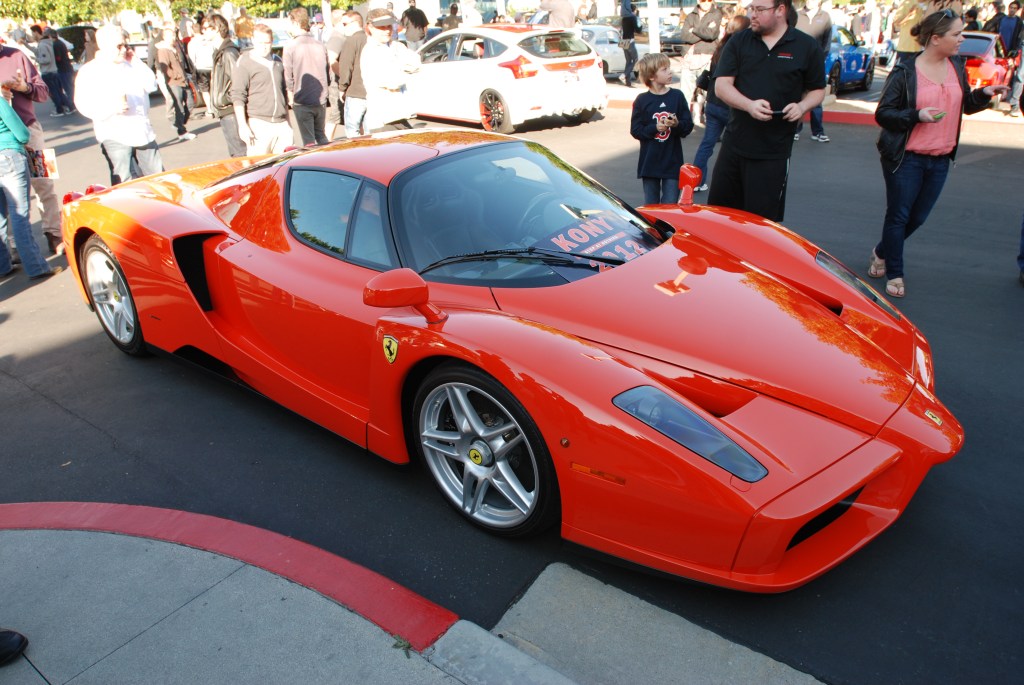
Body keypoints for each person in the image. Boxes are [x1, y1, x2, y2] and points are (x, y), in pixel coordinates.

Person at [871, 9, 1007, 298]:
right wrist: (916, 115)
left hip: (941, 158)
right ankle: (895, 272)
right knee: (899, 216)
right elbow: (884, 114)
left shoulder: (956, 65)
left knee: (917, 217)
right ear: (935, 38)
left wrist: (984, 95)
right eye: (956, 34)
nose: (962, 39)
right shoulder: (906, 71)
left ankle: (882, 251)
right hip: (907, 158)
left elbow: (964, 104)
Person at [707, 0, 825, 222]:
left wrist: (802, 106)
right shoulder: (739, 41)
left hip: (774, 152)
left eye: (759, 9)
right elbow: (721, 86)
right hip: (734, 146)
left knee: (761, 226)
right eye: (751, 8)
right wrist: (748, 105)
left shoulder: (806, 46)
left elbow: (818, 90)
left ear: (780, 10)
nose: (752, 14)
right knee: (720, 220)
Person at [74, 25, 163, 184]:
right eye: (119, 46)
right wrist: (112, 108)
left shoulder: (131, 64)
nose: (123, 49)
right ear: (104, 46)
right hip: (114, 133)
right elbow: (83, 104)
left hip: (142, 130)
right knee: (125, 182)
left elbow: (151, 85)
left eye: (125, 45)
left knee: (158, 178)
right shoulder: (90, 71)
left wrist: (136, 62)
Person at [0, 30, 63, 255]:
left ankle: (54, 232)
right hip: (3, 139)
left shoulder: (17, 56)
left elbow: (43, 93)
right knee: (6, 193)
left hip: (29, 129)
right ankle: (13, 245)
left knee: (45, 182)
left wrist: (24, 88)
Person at [0, 81, 60, 280]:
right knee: (20, 214)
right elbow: (23, 133)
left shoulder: (22, 67)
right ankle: (36, 266)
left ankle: (3, 265)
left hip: (22, 147)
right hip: (12, 153)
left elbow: (41, 91)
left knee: (2, 216)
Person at [691, 13, 750, 192]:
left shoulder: (720, 47)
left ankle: (696, 181)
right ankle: (736, 184)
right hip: (730, 105)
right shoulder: (740, 49)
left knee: (707, 144)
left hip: (713, 102)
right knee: (736, 147)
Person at [630, 52, 695, 205]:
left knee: (670, 206)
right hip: (649, 163)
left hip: (672, 162)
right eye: (664, 69)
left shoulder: (677, 96)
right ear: (652, 76)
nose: (670, 72)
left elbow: (688, 126)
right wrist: (655, 128)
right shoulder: (642, 100)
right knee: (651, 206)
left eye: (669, 68)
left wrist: (677, 124)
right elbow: (636, 130)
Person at [231, 24, 292, 154]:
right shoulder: (244, 62)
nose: (264, 47)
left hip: (281, 124)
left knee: (284, 164)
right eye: (260, 43)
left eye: (267, 43)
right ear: (253, 40)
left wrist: (289, 123)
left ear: (272, 41)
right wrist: (243, 126)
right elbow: (238, 96)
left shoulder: (278, 61)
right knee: (259, 165)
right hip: (259, 123)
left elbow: (283, 94)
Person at [361, 8, 420, 132]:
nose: (387, 30)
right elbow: (393, 81)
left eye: (389, 26)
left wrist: (399, 67)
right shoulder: (370, 51)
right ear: (370, 27)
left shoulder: (396, 45)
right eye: (381, 27)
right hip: (383, 120)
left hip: (400, 116)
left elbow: (416, 63)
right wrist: (404, 69)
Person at [283, 7, 330, 146]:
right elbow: (327, 72)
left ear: (295, 22)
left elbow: (288, 75)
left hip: (302, 98)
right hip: (320, 98)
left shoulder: (291, 46)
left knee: (308, 141)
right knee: (321, 135)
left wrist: (290, 95)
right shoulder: (320, 45)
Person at [206, 13, 247, 156]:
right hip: (225, 110)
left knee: (239, 153)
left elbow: (238, 83)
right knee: (236, 152)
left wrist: (227, 100)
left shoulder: (228, 53)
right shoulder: (220, 52)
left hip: (231, 110)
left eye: (206, 28)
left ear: (216, 28)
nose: (203, 31)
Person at [678, 1, 725, 118]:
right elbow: (684, 36)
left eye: (709, 0)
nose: (706, 2)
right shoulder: (690, 16)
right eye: (703, 0)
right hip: (689, 59)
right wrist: (705, 30)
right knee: (685, 94)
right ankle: (685, 120)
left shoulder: (716, 14)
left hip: (708, 58)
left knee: (706, 94)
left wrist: (693, 30)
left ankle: (705, 119)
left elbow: (712, 35)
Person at [795, 0, 833, 143]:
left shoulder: (825, 16)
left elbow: (827, 41)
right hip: (798, 62)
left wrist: (821, 58)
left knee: (816, 96)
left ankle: (817, 131)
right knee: (797, 95)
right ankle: (795, 129)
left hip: (816, 63)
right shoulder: (797, 15)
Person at [155, 26, 196, 141]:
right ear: (164, 37)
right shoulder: (163, 50)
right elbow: (165, 68)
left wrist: (186, 75)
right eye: (170, 35)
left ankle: (178, 123)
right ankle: (181, 131)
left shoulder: (175, 47)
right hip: (174, 82)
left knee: (190, 103)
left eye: (173, 35)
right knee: (179, 107)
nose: (172, 37)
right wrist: (176, 75)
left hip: (184, 80)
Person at [337, 11, 368, 137]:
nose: (343, 28)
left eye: (344, 24)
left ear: (355, 23)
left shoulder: (351, 41)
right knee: (369, 132)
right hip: (371, 92)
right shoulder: (371, 40)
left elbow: (346, 67)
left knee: (352, 131)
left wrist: (342, 88)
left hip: (355, 92)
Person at [33, 27, 72, 117]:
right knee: (59, 91)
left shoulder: (52, 45)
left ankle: (61, 108)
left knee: (56, 92)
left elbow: (51, 59)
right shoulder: (54, 44)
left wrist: (37, 59)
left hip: (54, 70)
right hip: (57, 70)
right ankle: (68, 106)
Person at [621, 3, 640, 87]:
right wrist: (638, 19)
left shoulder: (624, 18)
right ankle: (624, 75)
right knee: (635, 60)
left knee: (628, 61)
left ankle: (628, 82)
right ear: (634, 10)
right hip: (630, 40)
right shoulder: (633, 17)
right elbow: (638, 30)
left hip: (623, 40)